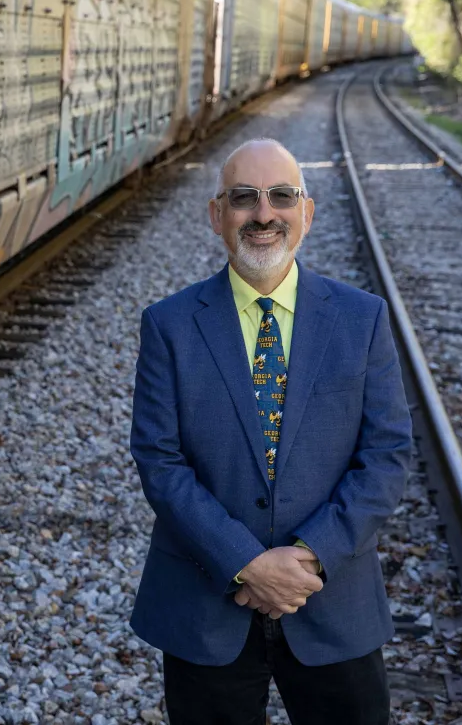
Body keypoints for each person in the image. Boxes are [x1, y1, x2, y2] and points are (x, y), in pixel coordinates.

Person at [128, 138, 412, 725]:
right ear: (216, 215)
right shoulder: (170, 325)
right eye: (243, 198)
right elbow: (159, 460)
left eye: (281, 196)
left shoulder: (362, 319)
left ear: (306, 212)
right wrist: (247, 563)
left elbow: (385, 455)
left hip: (333, 603)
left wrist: (307, 557)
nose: (263, 214)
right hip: (207, 608)